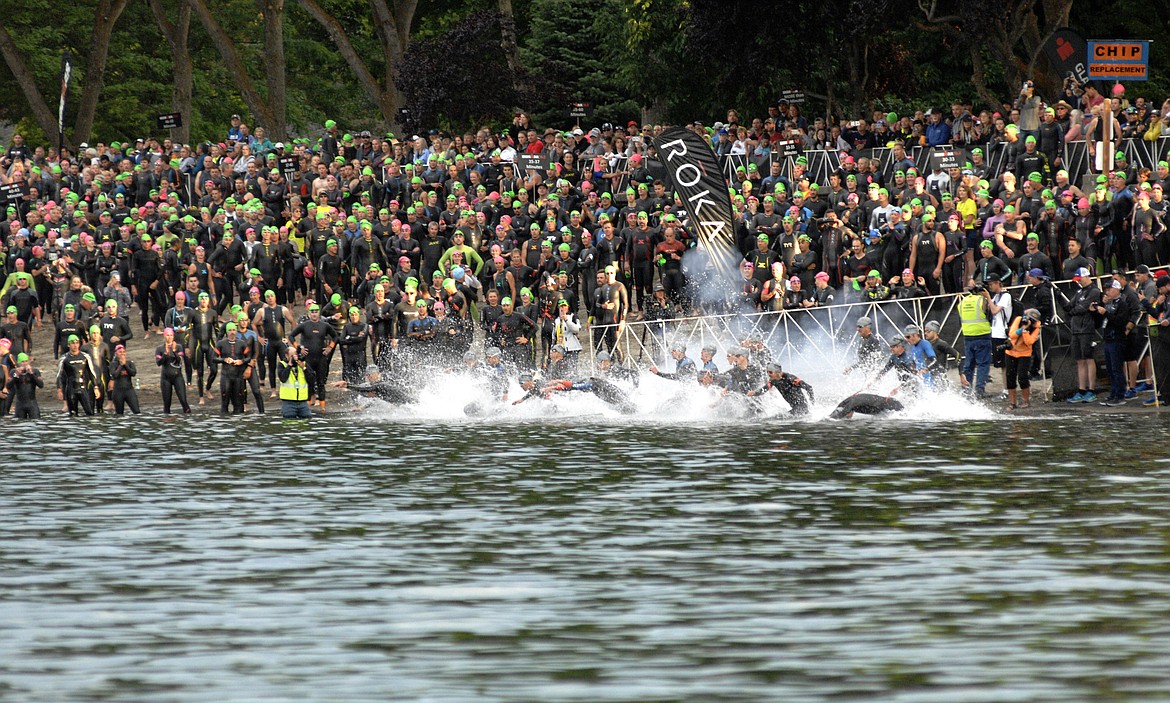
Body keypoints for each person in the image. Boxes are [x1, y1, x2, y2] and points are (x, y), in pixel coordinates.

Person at [1063, 267, 1102, 402]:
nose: (1078, 282)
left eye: (1080, 279)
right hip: (1076, 329)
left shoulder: (1094, 291)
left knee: (1088, 358)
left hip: (1087, 328)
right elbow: (1069, 307)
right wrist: (1058, 296)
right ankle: (1081, 389)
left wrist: (1073, 310)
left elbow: (1082, 308)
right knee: (1079, 360)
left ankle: (1091, 389)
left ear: (1086, 277)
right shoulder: (1079, 291)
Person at [290, 302, 339, 408]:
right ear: (309, 313)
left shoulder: (325, 325)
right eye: (312, 312)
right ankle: (307, 408)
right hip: (308, 358)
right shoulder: (304, 325)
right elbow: (291, 336)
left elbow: (335, 336)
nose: (314, 314)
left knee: (321, 383)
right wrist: (299, 348)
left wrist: (330, 347)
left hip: (321, 358)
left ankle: (322, 409)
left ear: (319, 313)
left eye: (316, 312)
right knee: (309, 383)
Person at [959, 284, 993, 397]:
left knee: (969, 364)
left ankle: (966, 390)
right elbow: (990, 313)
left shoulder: (962, 302)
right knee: (983, 364)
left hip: (968, 335)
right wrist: (988, 297)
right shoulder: (982, 300)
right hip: (982, 335)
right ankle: (979, 390)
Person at [1005, 308, 1041, 409]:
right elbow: (1012, 335)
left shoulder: (1036, 328)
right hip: (1011, 352)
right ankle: (1012, 402)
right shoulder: (1018, 320)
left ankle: (1026, 401)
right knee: (1010, 377)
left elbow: (1029, 341)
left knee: (1022, 377)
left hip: (1024, 354)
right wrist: (1021, 328)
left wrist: (1025, 330)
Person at [56, 334, 100, 416]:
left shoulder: (85, 356)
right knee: (73, 415)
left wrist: (95, 387)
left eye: (77, 343)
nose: (75, 345)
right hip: (70, 389)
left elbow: (91, 372)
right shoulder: (64, 358)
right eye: (73, 343)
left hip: (83, 388)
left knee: (90, 413)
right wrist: (59, 390)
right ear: (68, 345)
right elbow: (59, 375)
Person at [214, 321, 252, 414]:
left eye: (234, 330)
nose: (232, 332)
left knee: (238, 403)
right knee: (225, 402)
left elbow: (249, 357)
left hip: (238, 376)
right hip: (226, 376)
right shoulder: (221, 343)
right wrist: (224, 360)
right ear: (227, 332)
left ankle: (238, 424)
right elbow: (213, 358)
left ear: (236, 331)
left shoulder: (242, 343)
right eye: (230, 330)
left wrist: (241, 361)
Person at [156, 327, 192, 414]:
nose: (169, 337)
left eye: (171, 335)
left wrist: (174, 351)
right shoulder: (160, 349)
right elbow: (158, 363)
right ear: (164, 336)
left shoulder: (178, 347)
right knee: (167, 404)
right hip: (165, 378)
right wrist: (165, 354)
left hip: (177, 377)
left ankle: (188, 420)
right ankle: (167, 423)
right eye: (167, 335)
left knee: (184, 401)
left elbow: (179, 360)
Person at [276, 339, 313, 419]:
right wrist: (289, 365)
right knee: (289, 422)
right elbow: (283, 378)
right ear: (287, 356)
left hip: (303, 402)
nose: (295, 357)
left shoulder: (302, 364)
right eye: (292, 356)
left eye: (296, 354)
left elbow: (312, 380)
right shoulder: (282, 364)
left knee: (307, 421)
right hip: (288, 402)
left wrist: (304, 368)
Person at [6, 352, 43, 419]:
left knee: (36, 422)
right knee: (20, 423)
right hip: (20, 404)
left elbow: (41, 385)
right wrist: (16, 376)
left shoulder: (35, 371)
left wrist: (31, 374)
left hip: (32, 403)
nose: (25, 363)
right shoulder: (13, 372)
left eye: (26, 361)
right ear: (19, 363)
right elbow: (8, 386)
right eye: (22, 362)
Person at [108, 344, 141, 415]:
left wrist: (125, 365)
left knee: (137, 412)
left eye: (123, 352)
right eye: (120, 352)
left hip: (129, 390)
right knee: (119, 414)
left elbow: (133, 373)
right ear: (116, 353)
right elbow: (115, 375)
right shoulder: (113, 364)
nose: (122, 354)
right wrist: (121, 365)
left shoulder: (130, 363)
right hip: (118, 391)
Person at [829, 392, 905, 419]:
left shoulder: (850, 405)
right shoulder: (849, 401)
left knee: (904, 414)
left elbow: (837, 417)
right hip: (887, 403)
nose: (849, 417)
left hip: (891, 405)